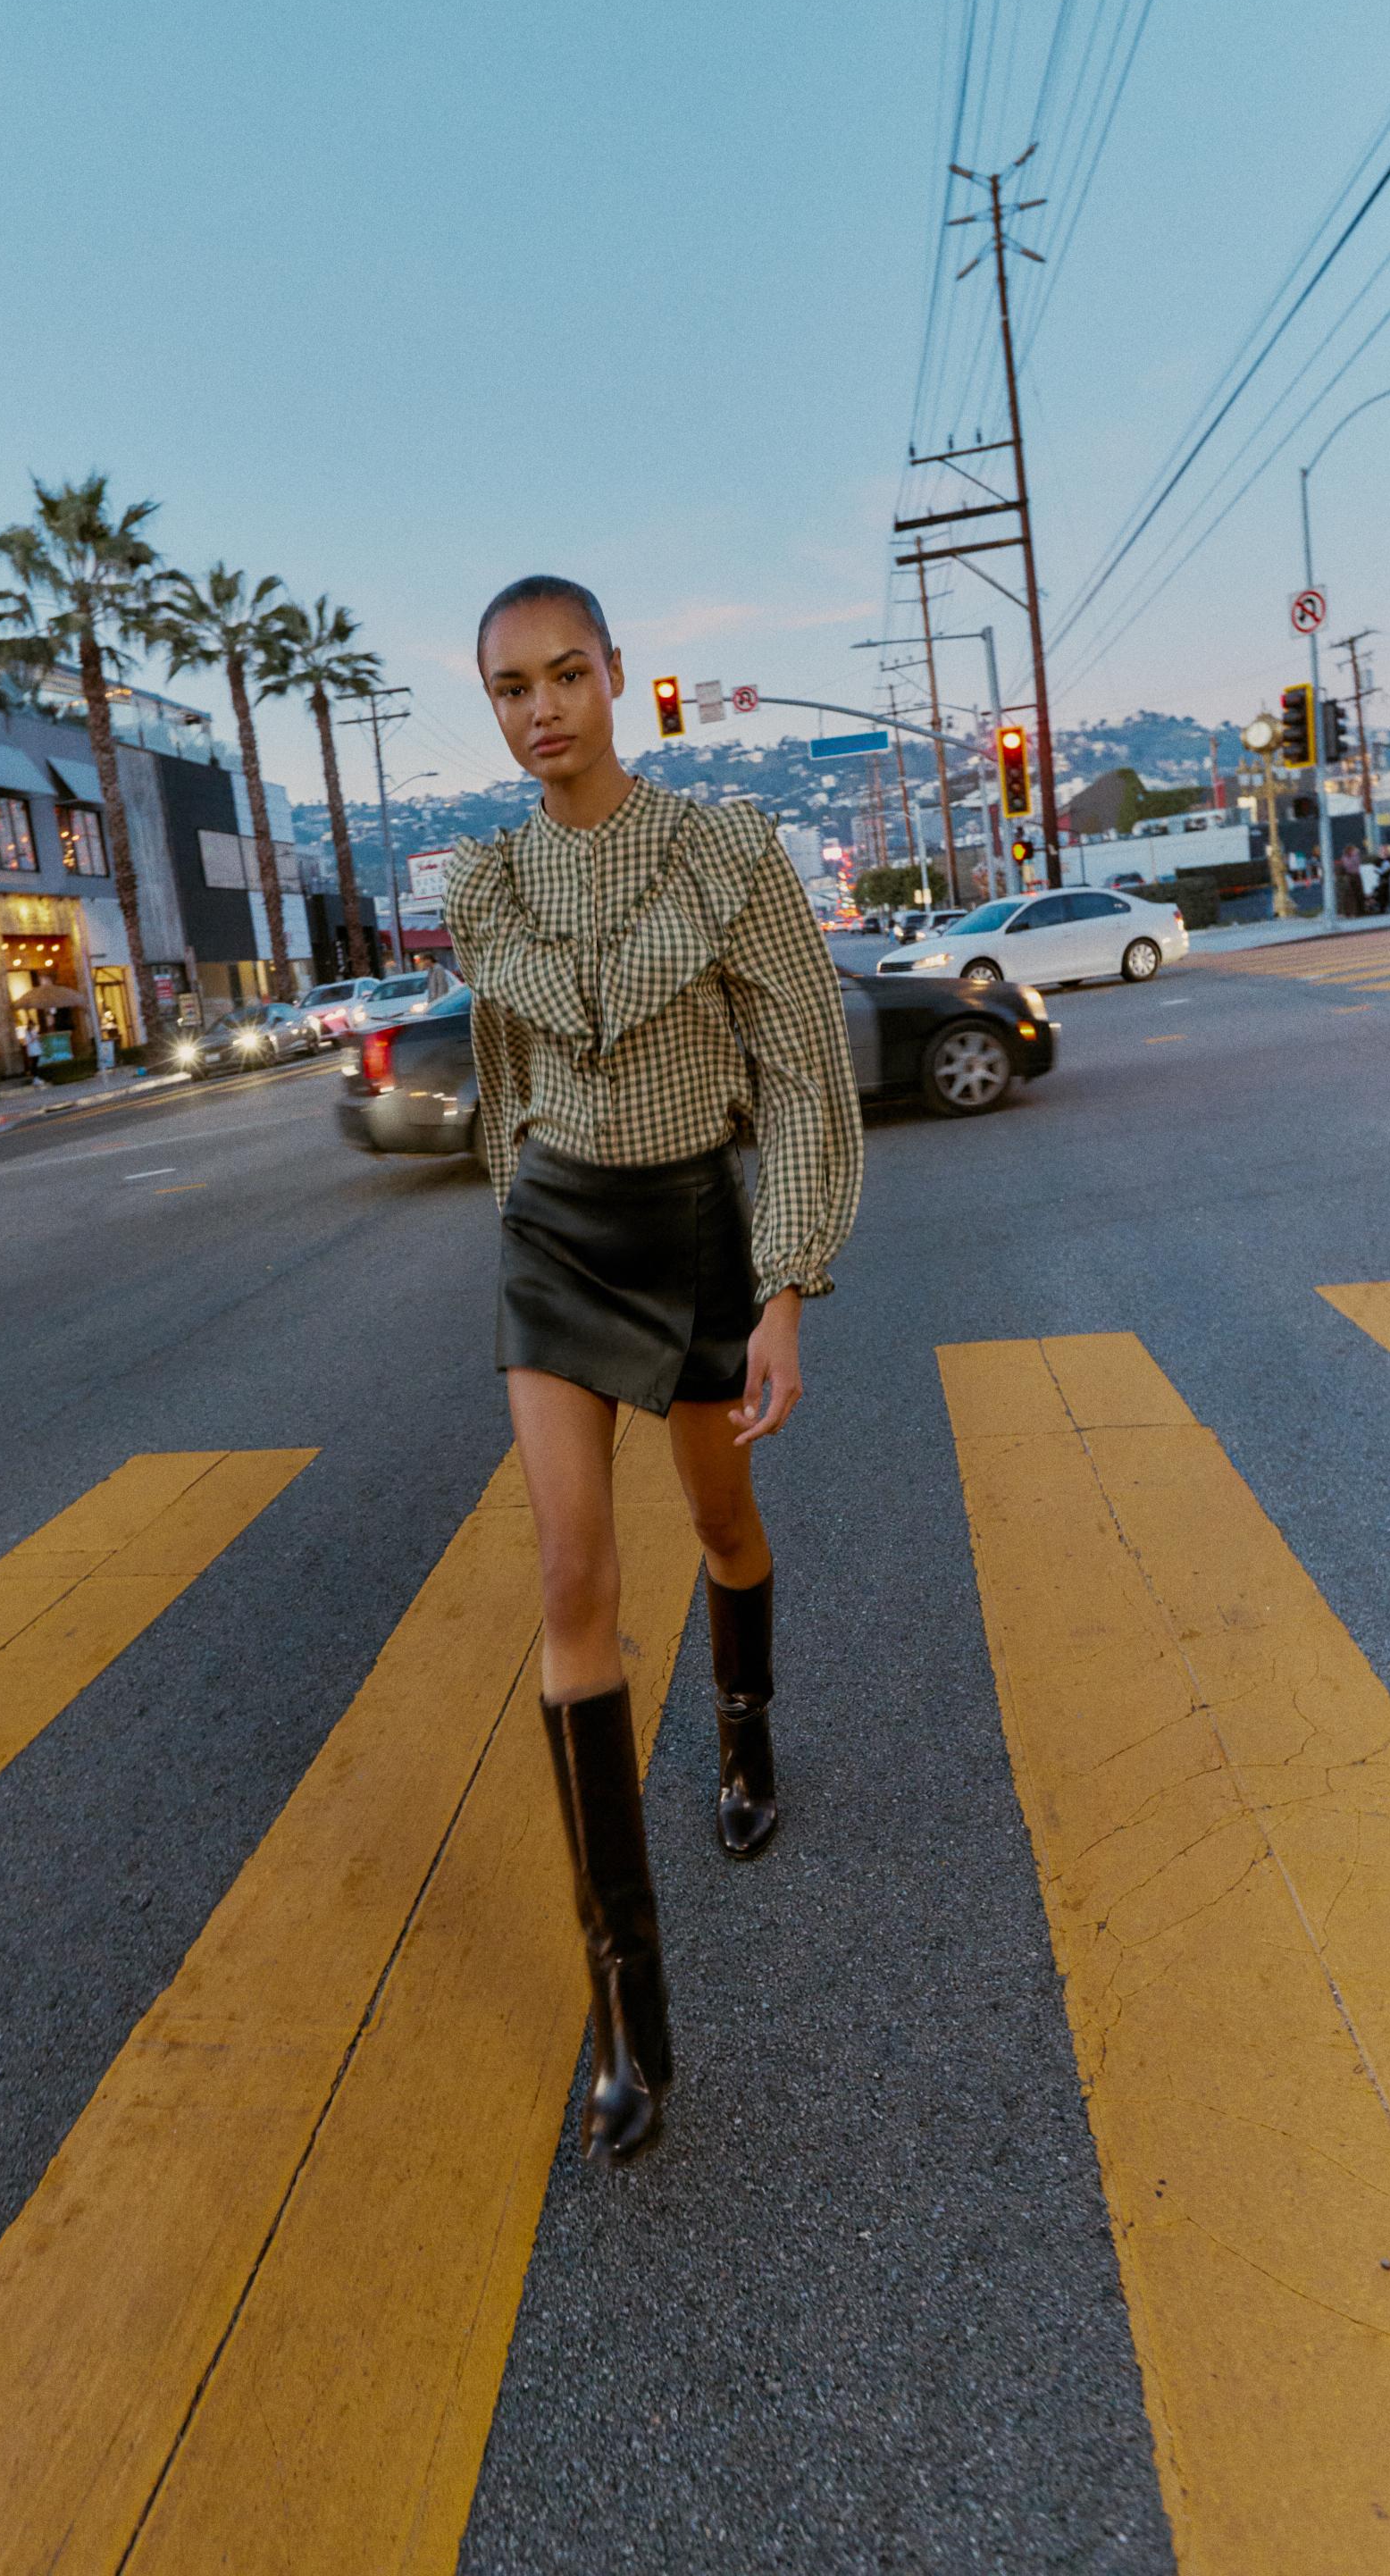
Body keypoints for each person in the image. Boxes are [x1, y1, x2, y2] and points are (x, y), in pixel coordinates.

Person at [446, 575, 862, 2166]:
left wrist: (787, 1285)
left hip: (695, 1227)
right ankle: (631, 2011)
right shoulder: (486, 884)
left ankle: (744, 1723)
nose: (541, 708)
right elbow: (505, 1080)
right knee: (570, 1578)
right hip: (557, 1232)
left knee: (722, 1523)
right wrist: (521, 1213)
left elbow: (806, 1072)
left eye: (566, 675)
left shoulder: (726, 853)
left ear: (619, 677)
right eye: (508, 689)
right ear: (489, 708)